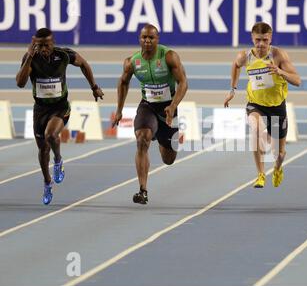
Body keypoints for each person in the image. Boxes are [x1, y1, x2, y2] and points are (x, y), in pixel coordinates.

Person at [16, 28, 104, 205]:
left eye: (46, 45)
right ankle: (47, 182)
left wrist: (94, 86)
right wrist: (29, 58)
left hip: (60, 107)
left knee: (51, 135)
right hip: (40, 109)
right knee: (42, 150)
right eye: (39, 46)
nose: (43, 49)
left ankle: (58, 160)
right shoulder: (30, 58)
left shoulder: (63, 54)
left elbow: (84, 64)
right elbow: (20, 83)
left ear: (53, 43)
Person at [112, 24, 188, 205]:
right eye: (144, 37)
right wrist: (119, 110)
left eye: (151, 38)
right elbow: (123, 83)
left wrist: (173, 105)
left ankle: (162, 138)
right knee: (142, 138)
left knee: (168, 159)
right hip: (148, 106)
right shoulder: (132, 62)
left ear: (157, 39)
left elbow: (183, 82)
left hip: (168, 109)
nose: (147, 41)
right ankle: (142, 190)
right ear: (139, 39)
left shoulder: (169, 56)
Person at [224, 22, 301, 188]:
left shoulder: (278, 56)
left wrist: (280, 72)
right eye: (258, 40)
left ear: (270, 38)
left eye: (265, 40)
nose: (261, 44)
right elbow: (235, 66)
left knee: (279, 154)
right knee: (256, 129)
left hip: (277, 106)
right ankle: (260, 174)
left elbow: (298, 80)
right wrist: (232, 89)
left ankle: (277, 168)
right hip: (255, 104)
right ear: (252, 38)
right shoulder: (245, 56)